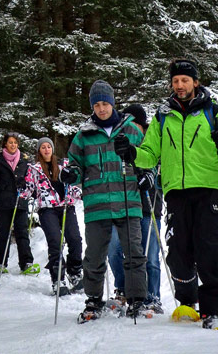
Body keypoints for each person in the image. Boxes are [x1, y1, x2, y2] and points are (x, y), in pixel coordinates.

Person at [114, 59, 218, 330]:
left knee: (208, 251)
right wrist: (132, 153)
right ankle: (187, 302)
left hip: (208, 190)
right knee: (178, 253)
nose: (180, 85)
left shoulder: (214, 113)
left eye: (185, 80)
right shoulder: (163, 116)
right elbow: (150, 154)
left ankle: (213, 311)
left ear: (195, 82)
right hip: (175, 192)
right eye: (175, 81)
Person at [62, 80, 148, 321]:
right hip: (97, 204)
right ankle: (92, 300)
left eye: (105, 103)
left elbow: (147, 158)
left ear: (113, 103)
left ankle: (137, 299)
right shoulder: (83, 135)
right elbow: (75, 166)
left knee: (134, 253)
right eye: (97, 104)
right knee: (95, 256)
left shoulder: (131, 130)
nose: (101, 108)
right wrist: (70, 174)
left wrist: (145, 174)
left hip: (128, 201)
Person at [107, 104, 163, 312]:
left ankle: (153, 296)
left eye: (136, 124)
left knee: (150, 256)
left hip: (148, 208)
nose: (132, 128)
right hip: (123, 209)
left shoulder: (150, 144)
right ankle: (123, 289)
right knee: (115, 250)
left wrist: (150, 177)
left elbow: (161, 172)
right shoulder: (120, 145)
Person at [22, 137, 82, 293]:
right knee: (55, 242)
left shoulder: (63, 165)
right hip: (47, 209)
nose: (46, 149)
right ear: (39, 150)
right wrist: (20, 185)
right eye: (43, 147)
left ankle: (74, 271)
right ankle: (58, 279)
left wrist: (79, 192)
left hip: (66, 206)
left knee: (75, 239)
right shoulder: (34, 168)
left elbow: (72, 185)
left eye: (49, 146)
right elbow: (28, 190)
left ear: (52, 149)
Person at [0, 132, 37, 274]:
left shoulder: (24, 161)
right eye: (10, 142)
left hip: (20, 201)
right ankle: (0, 263)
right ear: (5, 144)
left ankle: (26, 262)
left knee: (22, 232)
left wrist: (27, 185)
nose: (13, 145)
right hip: (4, 202)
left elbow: (31, 180)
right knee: (4, 233)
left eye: (15, 142)